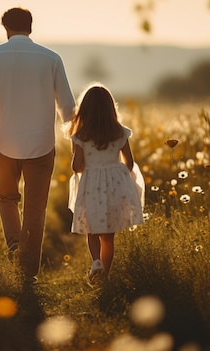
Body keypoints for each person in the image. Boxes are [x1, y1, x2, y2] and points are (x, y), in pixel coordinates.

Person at [0, 7, 76, 282]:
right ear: (31, 26)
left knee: (6, 198)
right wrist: (74, 140)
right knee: (35, 207)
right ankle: (28, 271)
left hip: (4, 143)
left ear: (5, 28)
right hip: (42, 143)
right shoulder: (51, 58)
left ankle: (15, 244)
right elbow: (67, 104)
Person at [66, 82, 145, 283]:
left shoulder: (80, 137)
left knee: (92, 231)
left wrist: (91, 169)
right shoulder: (120, 133)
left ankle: (96, 262)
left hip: (91, 186)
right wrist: (117, 174)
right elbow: (129, 162)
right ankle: (106, 276)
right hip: (115, 187)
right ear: (111, 108)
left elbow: (76, 167)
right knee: (108, 236)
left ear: (84, 110)